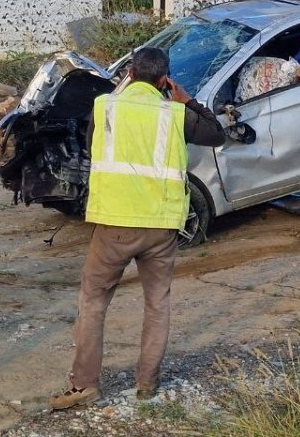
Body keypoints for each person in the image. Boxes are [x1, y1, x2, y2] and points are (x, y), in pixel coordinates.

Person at [49, 47, 224, 410]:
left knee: (93, 302)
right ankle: (147, 383)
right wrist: (188, 100)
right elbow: (216, 134)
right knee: (157, 304)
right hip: (161, 226)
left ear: (129, 72)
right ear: (165, 80)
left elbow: (91, 148)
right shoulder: (176, 114)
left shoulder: (105, 107)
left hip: (114, 224)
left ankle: (84, 385)